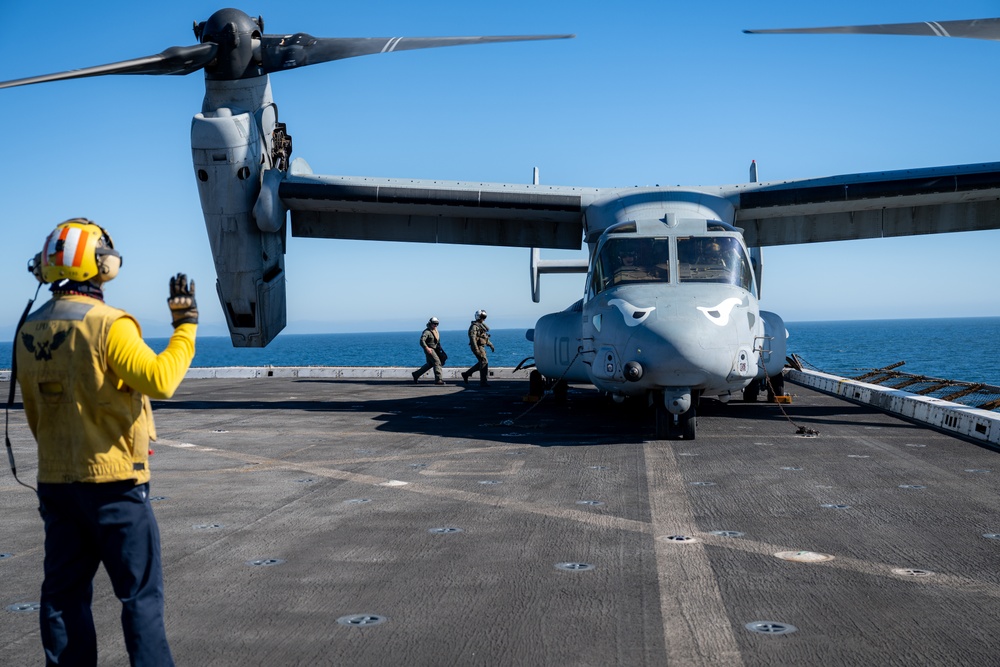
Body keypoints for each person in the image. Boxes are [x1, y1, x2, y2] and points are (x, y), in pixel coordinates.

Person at [16, 218, 198, 666]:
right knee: (139, 599)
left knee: (62, 600)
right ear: (98, 265)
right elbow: (160, 379)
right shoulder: (109, 325)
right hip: (115, 486)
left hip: (57, 485)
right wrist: (185, 326)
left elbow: (35, 412)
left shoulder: (28, 331)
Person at [461, 309, 495, 386]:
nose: (483, 319)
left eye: (484, 317)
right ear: (478, 317)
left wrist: (490, 344)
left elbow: (484, 337)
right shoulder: (474, 327)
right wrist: (476, 349)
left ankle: (466, 374)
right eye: (482, 317)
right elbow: (473, 338)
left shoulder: (480, 326)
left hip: (481, 346)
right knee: (484, 362)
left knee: (482, 362)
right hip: (477, 346)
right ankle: (483, 382)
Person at [412, 317, 446, 385]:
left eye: (437, 324)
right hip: (430, 350)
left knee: (430, 364)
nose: (435, 325)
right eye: (434, 324)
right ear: (430, 323)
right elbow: (422, 341)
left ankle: (416, 374)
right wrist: (426, 348)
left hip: (436, 349)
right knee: (437, 362)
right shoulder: (427, 332)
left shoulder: (435, 331)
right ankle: (438, 379)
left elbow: (437, 341)